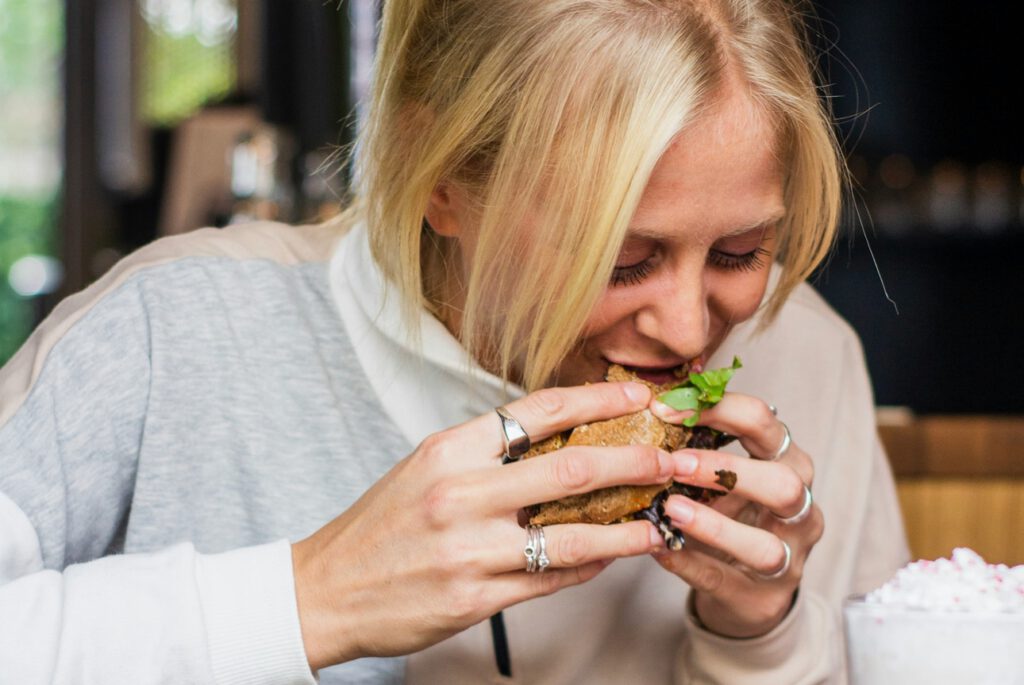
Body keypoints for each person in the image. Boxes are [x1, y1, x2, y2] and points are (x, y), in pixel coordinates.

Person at [0, 0, 909, 682]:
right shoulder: (176, 327)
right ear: (441, 178)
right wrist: (312, 594)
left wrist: (760, 631)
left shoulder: (811, 361)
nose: (687, 328)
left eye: (742, 253)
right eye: (622, 259)